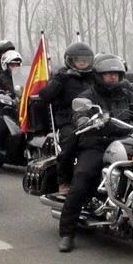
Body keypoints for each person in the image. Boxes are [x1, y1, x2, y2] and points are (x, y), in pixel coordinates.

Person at [57, 55, 133, 252]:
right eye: (108, 74)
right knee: (82, 179)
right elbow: (79, 112)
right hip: (96, 143)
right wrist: (84, 119)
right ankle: (67, 233)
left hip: (125, 140)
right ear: (98, 75)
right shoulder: (88, 95)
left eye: (116, 74)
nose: (112, 77)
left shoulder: (126, 93)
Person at [38, 42, 95, 195]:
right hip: (67, 120)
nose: (82, 63)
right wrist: (62, 79)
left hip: (93, 118)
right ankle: (64, 181)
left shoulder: (94, 77)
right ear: (70, 60)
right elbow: (44, 96)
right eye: (78, 59)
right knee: (70, 142)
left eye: (85, 60)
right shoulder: (61, 76)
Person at [0, 50, 23, 160]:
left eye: (17, 65)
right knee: (1, 129)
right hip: (4, 109)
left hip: (21, 109)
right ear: (5, 65)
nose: (15, 67)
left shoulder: (23, 78)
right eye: (12, 65)